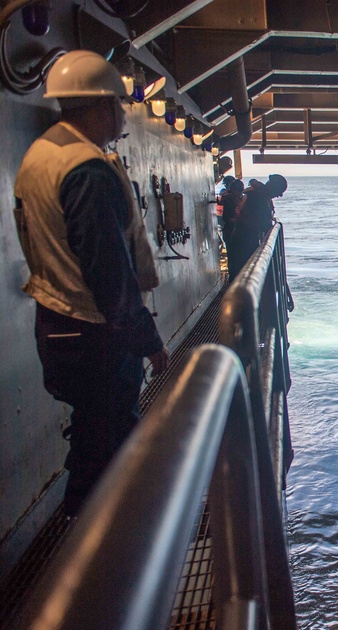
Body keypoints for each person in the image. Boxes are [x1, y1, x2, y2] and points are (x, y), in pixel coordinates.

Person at [13, 50, 169, 516]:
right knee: (108, 444)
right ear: (102, 106)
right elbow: (109, 273)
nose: (123, 113)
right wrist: (150, 342)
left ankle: (89, 541)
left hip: (62, 325)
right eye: (120, 105)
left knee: (93, 437)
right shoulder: (86, 171)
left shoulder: (41, 157)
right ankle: (98, 558)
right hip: (93, 331)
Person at [228, 173, 288, 274]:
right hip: (244, 239)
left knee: (242, 269)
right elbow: (260, 220)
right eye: (278, 192)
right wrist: (270, 227)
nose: (279, 195)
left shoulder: (258, 194)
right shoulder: (258, 197)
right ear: (272, 188)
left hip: (245, 236)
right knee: (242, 270)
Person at [219, 178, 245, 247]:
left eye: (241, 191)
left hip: (234, 231)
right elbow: (227, 218)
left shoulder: (235, 198)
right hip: (231, 231)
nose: (240, 193)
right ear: (233, 190)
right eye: (239, 191)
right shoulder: (228, 200)